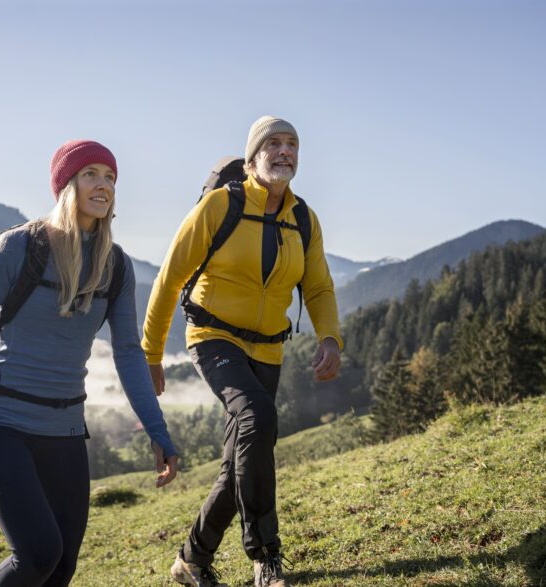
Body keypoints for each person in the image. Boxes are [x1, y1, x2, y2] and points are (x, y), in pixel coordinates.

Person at [0, 140, 179, 587]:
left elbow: (127, 354)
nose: (104, 185)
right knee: (38, 554)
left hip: (66, 429)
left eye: (110, 177)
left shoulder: (115, 266)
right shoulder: (17, 248)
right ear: (66, 185)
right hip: (2, 423)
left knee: (60, 569)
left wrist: (157, 431)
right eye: (91, 174)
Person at [142, 116, 342, 587]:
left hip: (269, 349)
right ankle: (266, 556)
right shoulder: (221, 206)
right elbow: (170, 278)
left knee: (242, 460)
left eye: (292, 144)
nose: (284, 151)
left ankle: (191, 561)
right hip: (214, 338)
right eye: (273, 143)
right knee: (257, 417)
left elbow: (318, 286)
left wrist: (330, 337)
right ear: (252, 158)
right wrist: (149, 354)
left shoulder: (303, 220)